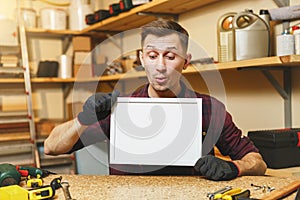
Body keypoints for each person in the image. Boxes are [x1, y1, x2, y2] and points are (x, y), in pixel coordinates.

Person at [44, 19, 267, 181]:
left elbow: (257, 162)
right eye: (152, 56)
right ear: (142, 58)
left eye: (170, 56)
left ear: (186, 61)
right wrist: (84, 118)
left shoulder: (209, 108)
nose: (160, 66)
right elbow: (51, 147)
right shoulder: (120, 108)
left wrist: (234, 167)